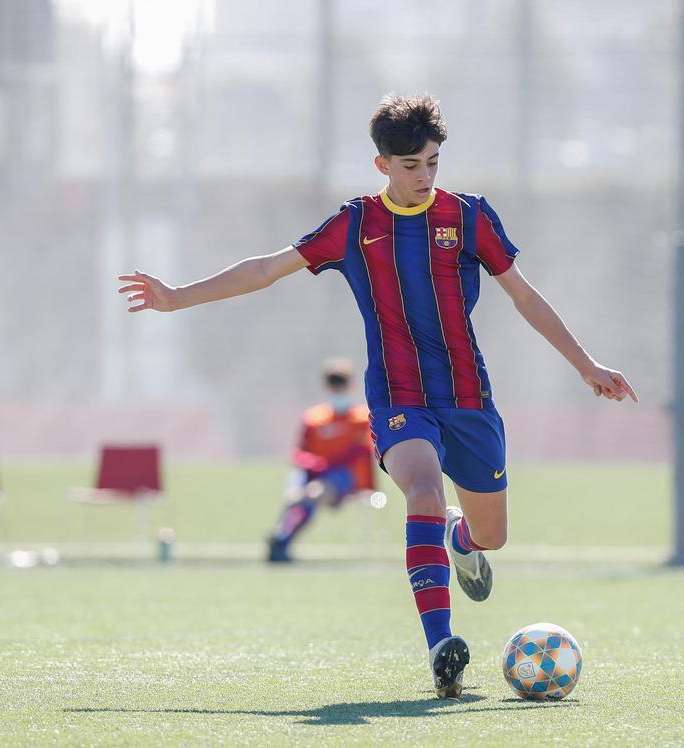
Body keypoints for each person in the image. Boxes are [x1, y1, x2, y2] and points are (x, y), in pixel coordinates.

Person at [117, 93, 637, 698]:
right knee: (422, 489)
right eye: (411, 164)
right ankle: (442, 643)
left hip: (468, 398)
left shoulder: (469, 217)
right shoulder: (355, 224)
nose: (424, 176)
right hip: (397, 398)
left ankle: (461, 539)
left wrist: (585, 364)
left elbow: (523, 295)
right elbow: (264, 269)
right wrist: (177, 296)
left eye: (433, 163)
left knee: (491, 535)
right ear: (382, 165)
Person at [266, 358, 376, 564]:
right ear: (326, 386)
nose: (337, 388)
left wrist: (326, 466)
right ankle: (281, 543)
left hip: (345, 477)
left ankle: (282, 539)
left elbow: (361, 451)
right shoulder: (313, 418)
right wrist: (313, 465)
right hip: (313, 474)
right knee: (299, 489)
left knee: (313, 493)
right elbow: (298, 452)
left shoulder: (362, 418)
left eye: (341, 382)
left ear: (350, 385)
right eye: (333, 382)